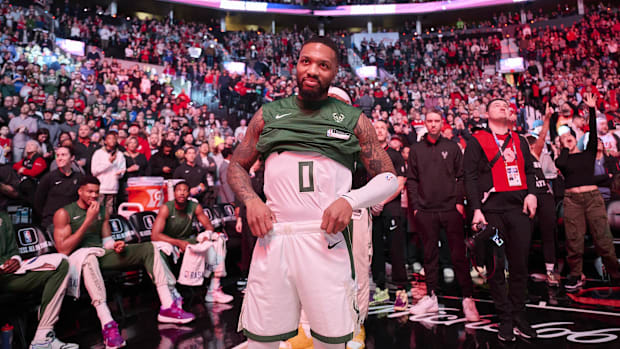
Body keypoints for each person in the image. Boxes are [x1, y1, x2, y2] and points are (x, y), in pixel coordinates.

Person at [228, 36, 398, 349]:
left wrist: (351, 200)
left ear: (334, 73)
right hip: (273, 237)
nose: (312, 70)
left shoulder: (354, 120)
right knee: (261, 341)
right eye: (306, 61)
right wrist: (251, 201)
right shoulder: (268, 115)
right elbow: (236, 166)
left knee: (330, 342)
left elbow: (389, 178)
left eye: (323, 65)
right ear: (296, 65)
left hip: (324, 239)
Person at [53, 176, 195, 349]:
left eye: (97, 192)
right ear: (80, 191)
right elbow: (63, 250)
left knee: (149, 247)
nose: (94, 195)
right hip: (79, 259)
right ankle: (108, 324)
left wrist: (115, 245)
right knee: (88, 259)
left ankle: (167, 306)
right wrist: (88, 220)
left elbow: (106, 241)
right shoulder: (64, 213)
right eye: (89, 192)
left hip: (101, 253)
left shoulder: (102, 209)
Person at [464, 98, 538, 342]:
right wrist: (476, 209)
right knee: (496, 268)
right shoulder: (478, 140)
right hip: (492, 212)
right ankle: (505, 318)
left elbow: (530, 169)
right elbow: (470, 178)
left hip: (518, 210)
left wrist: (532, 194)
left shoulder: (519, 140)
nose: (503, 107)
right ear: (487, 113)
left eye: (506, 105)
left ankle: (519, 314)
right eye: (497, 105)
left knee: (520, 266)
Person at [406, 111, 480, 321]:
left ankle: (467, 298)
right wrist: (417, 207)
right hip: (426, 211)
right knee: (429, 256)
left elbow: (461, 177)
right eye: (429, 121)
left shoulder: (452, 146)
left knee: (458, 256)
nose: (433, 125)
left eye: (437, 121)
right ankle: (431, 298)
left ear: (442, 123)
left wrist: (458, 203)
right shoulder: (416, 149)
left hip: (450, 210)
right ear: (425, 124)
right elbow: (411, 180)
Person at [555, 93, 620, 290]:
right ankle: (575, 275)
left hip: (592, 198)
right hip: (572, 200)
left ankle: (616, 274)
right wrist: (564, 147)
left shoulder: (588, 152)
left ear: (576, 138)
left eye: (569, 136)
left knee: (603, 238)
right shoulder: (562, 159)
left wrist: (592, 109)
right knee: (574, 240)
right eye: (563, 138)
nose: (567, 139)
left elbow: (592, 130)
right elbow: (562, 162)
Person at [0, 210, 78, 349]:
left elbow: (13, 250)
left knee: (61, 263)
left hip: (9, 273)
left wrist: (15, 259)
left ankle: (42, 338)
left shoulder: (3, 216)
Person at [150, 181, 234, 304]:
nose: (182, 193)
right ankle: (171, 292)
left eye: (185, 190)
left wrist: (206, 235)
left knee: (218, 240)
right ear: (174, 193)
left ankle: (214, 289)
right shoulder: (166, 208)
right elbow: (155, 235)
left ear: (189, 193)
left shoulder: (194, 206)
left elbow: (209, 227)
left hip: (187, 240)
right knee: (158, 250)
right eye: (179, 190)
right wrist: (177, 243)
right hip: (168, 241)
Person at [370, 120, 408, 295]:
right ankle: (380, 287)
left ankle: (401, 286)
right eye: (376, 128)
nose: (379, 131)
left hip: (390, 208)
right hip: (371, 209)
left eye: (382, 128)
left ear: (387, 132)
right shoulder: (366, 154)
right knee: (375, 249)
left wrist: (382, 202)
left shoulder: (395, 155)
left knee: (396, 248)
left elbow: (400, 183)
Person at [526, 105, 560, 286]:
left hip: (544, 196)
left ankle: (550, 270)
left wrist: (547, 119)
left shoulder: (535, 154)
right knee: (525, 234)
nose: (533, 145)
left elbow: (542, 136)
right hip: (528, 197)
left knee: (549, 232)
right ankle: (520, 269)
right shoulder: (516, 160)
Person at [34, 146, 82, 230]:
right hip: (52, 222)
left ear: (72, 158)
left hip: (73, 221)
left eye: (63, 155)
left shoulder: (79, 177)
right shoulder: (48, 177)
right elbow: (38, 201)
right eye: (57, 155)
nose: (59, 158)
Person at [91, 131, 125, 218]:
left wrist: (119, 174)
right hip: (101, 188)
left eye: (114, 139)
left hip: (113, 188)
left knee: (109, 214)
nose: (112, 140)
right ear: (105, 141)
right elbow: (94, 171)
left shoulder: (120, 154)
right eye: (109, 138)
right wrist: (109, 163)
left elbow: (122, 170)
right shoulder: (98, 153)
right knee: (98, 212)